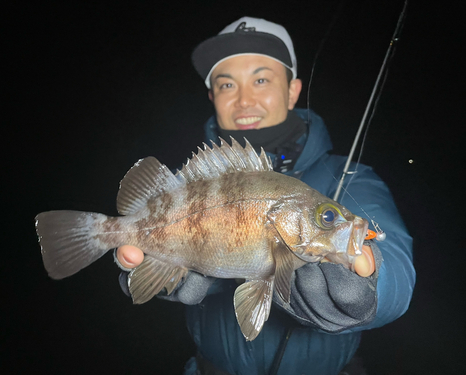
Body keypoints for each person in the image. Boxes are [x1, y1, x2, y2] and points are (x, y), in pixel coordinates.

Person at [115, 17, 415, 375]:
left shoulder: (351, 177)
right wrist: (149, 271)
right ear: (213, 97)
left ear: (292, 90)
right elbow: (139, 245)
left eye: (261, 79)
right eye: (227, 84)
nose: (244, 99)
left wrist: (374, 284)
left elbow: (396, 267)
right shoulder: (188, 181)